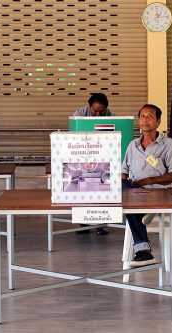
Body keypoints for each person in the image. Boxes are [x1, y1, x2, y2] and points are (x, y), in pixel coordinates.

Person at [122, 104, 172, 267]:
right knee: (120, 187)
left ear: (158, 121)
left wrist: (148, 181)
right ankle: (145, 214)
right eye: (142, 116)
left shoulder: (169, 145)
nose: (145, 120)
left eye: (150, 116)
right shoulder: (132, 145)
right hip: (134, 194)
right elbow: (124, 170)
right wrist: (123, 179)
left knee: (128, 201)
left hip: (159, 193)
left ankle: (143, 250)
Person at [73, 93, 113, 235]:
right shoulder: (79, 114)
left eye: (101, 111)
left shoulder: (110, 115)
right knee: (83, 188)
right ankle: (83, 224)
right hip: (83, 156)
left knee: (101, 190)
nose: (97, 114)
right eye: (94, 111)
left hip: (102, 157)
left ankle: (101, 225)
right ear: (89, 106)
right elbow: (74, 135)